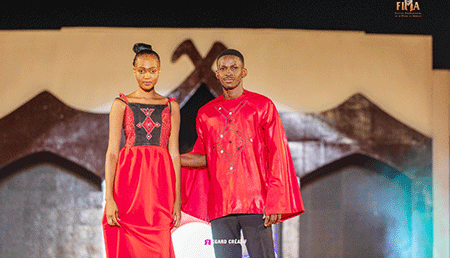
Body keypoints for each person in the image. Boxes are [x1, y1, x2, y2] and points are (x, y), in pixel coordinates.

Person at [180, 49, 305, 258]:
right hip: (220, 208)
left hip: (255, 204)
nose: (229, 73)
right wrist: (168, 157)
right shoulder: (206, 114)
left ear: (243, 72)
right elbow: (204, 157)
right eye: (223, 68)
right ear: (217, 74)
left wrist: (274, 200)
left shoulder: (262, 106)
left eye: (234, 68)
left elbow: (277, 154)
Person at [102, 43, 181, 258]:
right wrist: (109, 198)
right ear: (134, 70)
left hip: (159, 190)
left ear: (160, 71)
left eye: (153, 71)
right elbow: (112, 153)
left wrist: (177, 199)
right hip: (128, 189)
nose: (148, 76)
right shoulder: (122, 104)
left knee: (160, 248)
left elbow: (174, 153)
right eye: (142, 70)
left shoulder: (171, 106)